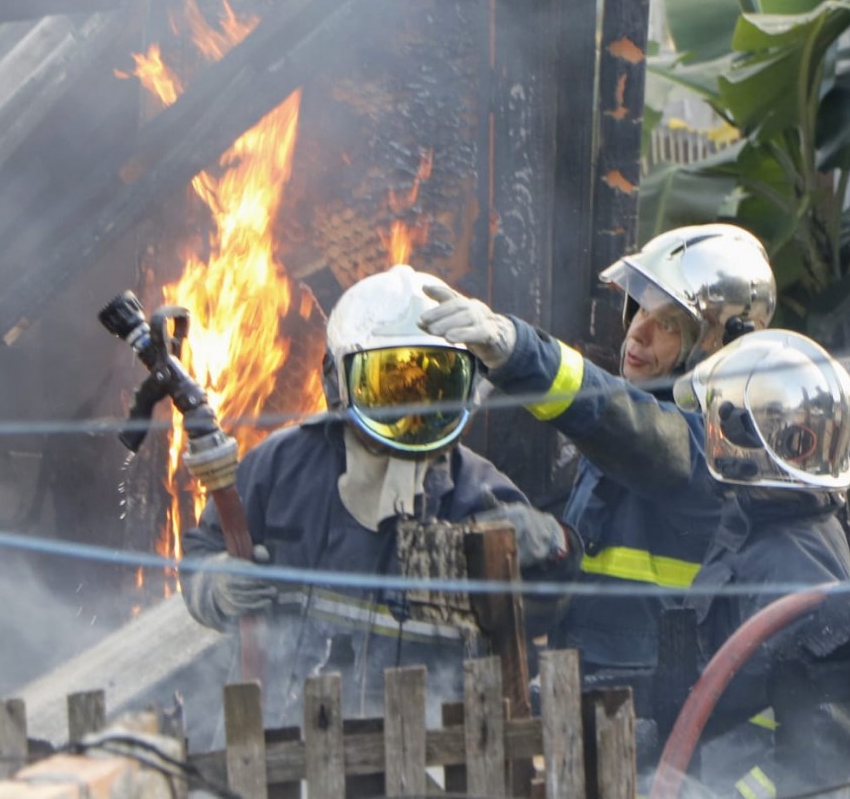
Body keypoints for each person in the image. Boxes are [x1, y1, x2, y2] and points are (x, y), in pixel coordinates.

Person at [178, 264, 572, 726]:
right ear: (337, 380)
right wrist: (215, 585)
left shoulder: (479, 493)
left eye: (434, 383)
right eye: (390, 382)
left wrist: (550, 553)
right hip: (284, 731)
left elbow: (537, 618)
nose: (412, 406)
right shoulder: (280, 467)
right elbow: (202, 552)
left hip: (427, 741)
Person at [418, 223, 777, 670]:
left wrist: (520, 353)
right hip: (592, 684)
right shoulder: (634, 418)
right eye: (639, 309)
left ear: (717, 344)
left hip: (662, 700)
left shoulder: (721, 446)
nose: (638, 333)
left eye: (667, 323)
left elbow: (631, 425)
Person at [671, 329, 850, 797]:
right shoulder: (759, 527)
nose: (710, 432)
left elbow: (828, 749)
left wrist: (737, 796)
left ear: (750, 441)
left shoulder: (792, 561)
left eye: (718, 422)